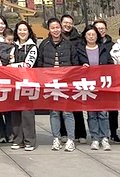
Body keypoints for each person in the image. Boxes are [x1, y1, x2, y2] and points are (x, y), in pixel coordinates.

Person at [36, 17, 77, 152]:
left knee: (67, 112)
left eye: (57, 27)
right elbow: (40, 64)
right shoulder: (44, 44)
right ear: (49, 29)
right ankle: (56, 138)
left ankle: (70, 139)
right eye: (52, 28)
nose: (55, 30)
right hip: (50, 83)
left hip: (66, 82)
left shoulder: (68, 44)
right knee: (54, 112)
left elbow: (74, 62)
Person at [75, 26, 112, 151]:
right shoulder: (80, 50)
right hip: (87, 85)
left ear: (97, 36)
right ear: (85, 36)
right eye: (89, 34)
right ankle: (95, 138)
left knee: (103, 113)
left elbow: (110, 64)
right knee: (91, 114)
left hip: (101, 85)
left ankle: (104, 137)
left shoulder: (103, 49)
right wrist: (81, 67)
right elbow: (75, 65)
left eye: (93, 34)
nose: (91, 37)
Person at [9, 20, 38, 151]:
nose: (22, 32)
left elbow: (28, 65)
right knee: (15, 112)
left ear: (29, 32)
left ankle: (29, 141)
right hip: (14, 83)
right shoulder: (13, 46)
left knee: (27, 113)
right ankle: (18, 139)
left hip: (28, 83)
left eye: (24, 30)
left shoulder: (32, 47)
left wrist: (11, 66)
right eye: (19, 30)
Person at [94, 20, 120, 144]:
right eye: (98, 28)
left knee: (113, 108)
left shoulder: (113, 45)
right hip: (95, 80)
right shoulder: (92, 43)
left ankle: (113, 132)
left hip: (110, 79)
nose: (100, 30)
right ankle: (99, 133)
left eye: (102, 28)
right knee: (97, 108)